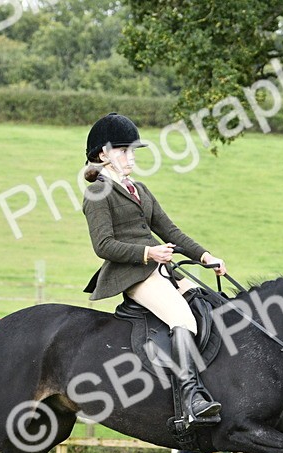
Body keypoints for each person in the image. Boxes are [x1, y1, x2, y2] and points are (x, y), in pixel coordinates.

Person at [81, 112, 227, 429]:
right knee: (182, 318)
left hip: (162, 270)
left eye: (133, 151)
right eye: (124, 151)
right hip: (133, 274)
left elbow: (169, 231)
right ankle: (192, 401)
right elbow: (103, 245)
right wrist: (148, 253)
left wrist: (205, 256)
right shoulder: (97, 193)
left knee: (209, 306)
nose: (131, 157)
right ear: (103, 154)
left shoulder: (140, 190)